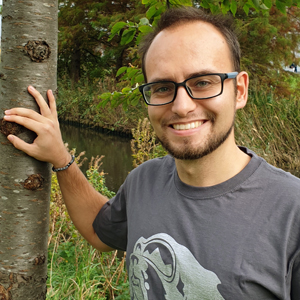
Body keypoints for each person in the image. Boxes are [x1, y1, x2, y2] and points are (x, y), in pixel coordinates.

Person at [4, 6, 300, 300]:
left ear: (240, 91)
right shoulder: (144, 181)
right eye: (162, 87)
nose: (182, 106)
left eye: (203, 82)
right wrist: (60, 157)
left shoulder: (291, 210)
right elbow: (99, 231)